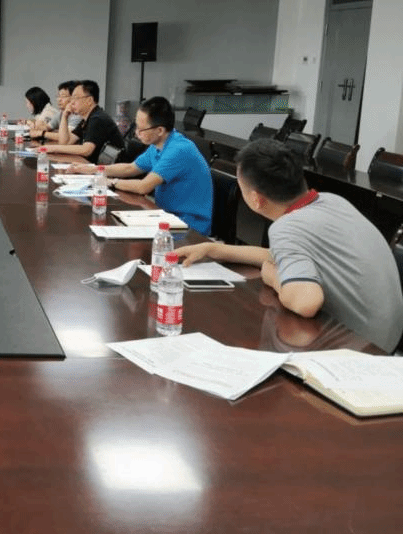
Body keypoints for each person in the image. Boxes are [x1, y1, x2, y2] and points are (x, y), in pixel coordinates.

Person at [175, 139, 403, 353]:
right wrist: (213, 249)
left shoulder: (286, 227)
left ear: (256, 199)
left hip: (361, 350)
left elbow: (306, 302)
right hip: (385, 338)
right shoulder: (331, 201)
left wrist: (272, 276)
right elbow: (284, 256)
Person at [68, 97, 213, 235]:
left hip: (188, 225)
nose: (136, 133)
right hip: (166, 216)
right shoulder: (159, 144)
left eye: (141, 129)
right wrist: (94, 170)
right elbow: (131, 168)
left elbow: (143, 187)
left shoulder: (178, 150)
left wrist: (110, 182)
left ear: (160, 130)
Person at [42, 80, 123, 163]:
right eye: (72, 98)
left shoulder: (98, 118)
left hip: (108, 169)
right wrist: (65, 116)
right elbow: (65, 142)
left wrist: (53, 148)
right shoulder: (86, 119)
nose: (71, 102)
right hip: (91, 166)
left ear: (89, 100)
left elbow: (86, 150)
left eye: (76, 98)